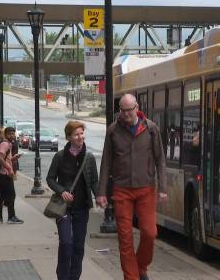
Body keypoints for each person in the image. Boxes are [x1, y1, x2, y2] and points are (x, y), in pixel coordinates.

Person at [97, 94, 167, 280]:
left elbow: (160, 160)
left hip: (146, 188)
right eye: (123, 110)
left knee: (150, 232)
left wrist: (163, 188)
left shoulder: (151, 129)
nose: (126, 114)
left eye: (130, 109)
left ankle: (141, 266)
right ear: (120, 110)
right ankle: (131, 277)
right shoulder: (113, 130)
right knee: (125, 237)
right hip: (121, 190)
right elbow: (106, 163)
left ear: (137, 107)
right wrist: (101, 192)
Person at [46, 120, 99, 280]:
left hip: (82, 208)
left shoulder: (89, 157)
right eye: (76, 134)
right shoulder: (60, 156)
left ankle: (74, 277)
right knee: (66, 243)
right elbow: (50, 179)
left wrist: (100, 197)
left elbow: (94, 181)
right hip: (64, 208)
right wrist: (61, 191)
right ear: (68, 137)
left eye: (82, 133)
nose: (80, 137)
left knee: (78, 246)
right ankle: (62, 276)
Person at [0, 127, 23, 224]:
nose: (12, 135)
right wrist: (10, 168)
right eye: (10, 134)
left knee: (2, 195)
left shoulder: (8, 144)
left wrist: (14, 158)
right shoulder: (5, 144)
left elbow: (5, 159)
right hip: (4, 174)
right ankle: (11, 217)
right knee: (11, 195)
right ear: (6, 134)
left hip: (3, 173)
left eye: (13, 133)